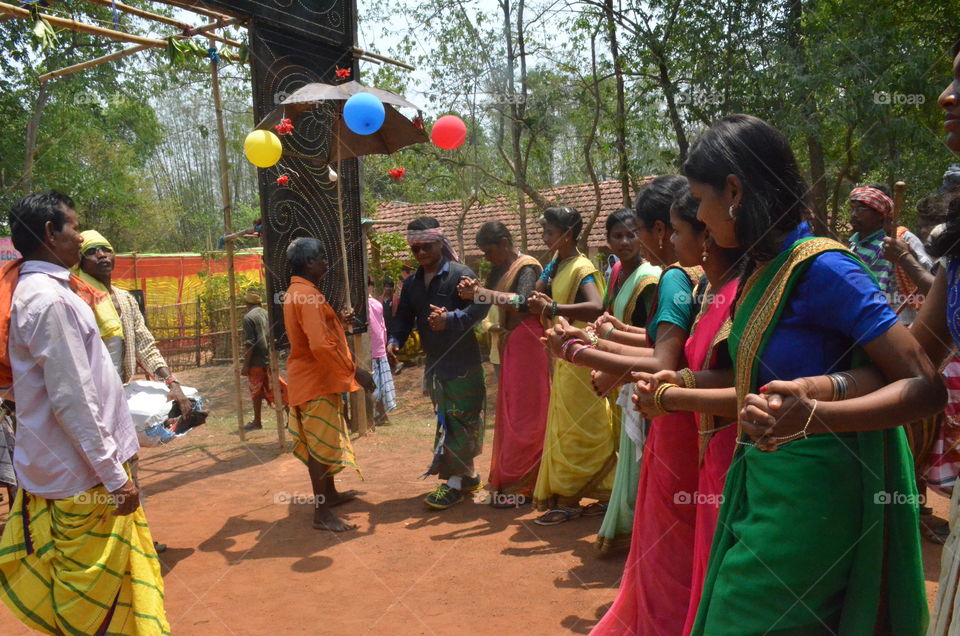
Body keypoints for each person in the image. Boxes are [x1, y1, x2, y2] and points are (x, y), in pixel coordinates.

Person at [672, 114, 942, 635]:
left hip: (816, 499)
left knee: (741, 619)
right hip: (764, 484)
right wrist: (671, 391)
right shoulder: (761, 268)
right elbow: (753, 382)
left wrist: (816, 413)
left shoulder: (825, 268)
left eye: (701, 199)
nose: (700, 216)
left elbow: (923, 384)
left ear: (735, 191)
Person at [0, 190, 168, 634]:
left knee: (98, 592)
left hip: (69, 469)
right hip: (83, 477)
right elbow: (72, 399)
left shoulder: (44, 292)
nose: (80, 237)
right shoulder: (51, 301)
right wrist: (114, 477)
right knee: (91, 600)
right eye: (74, 227)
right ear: (50, 232)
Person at [76, 228, 193, 553]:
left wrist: (172, 383)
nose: (101, 256)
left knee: (129, 470)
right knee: (99, 477)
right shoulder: (78, 298)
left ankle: (135, 541)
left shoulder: (126, 300)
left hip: (120, 401)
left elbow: (145, 344)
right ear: (80, 260)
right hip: (90, 403)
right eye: (92, 251)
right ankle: (105, 549)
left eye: (105, 249)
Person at [387, 217, 489, 510]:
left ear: (440, 243)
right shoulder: (411, 284)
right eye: (415, 249)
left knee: (460, 421)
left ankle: (453, 484)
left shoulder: (461, 275)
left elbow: (481, 307)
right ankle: (467, 477)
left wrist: (451, 319)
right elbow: (403, 318)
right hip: (436, 367)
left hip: (464, 364)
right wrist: (394, 340)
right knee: (451, 421)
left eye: (426, 247)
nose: (420, 253)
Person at [525, 206, 615, 525]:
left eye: (549, 232)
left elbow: (596, 307)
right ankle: (577, 494)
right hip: (564, 355)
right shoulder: (559, 264)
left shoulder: (582, 267)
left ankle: (579, 495)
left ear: (566, 234)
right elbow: (535, 294)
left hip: (581, 356)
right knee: (566, 426)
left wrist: (554, 307)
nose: (543, 237)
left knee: (582, 426)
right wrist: (549, 270)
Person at [282, 237, 374, 532]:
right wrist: (355, 371)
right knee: (319, 447)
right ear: (308, 262)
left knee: (321, 441)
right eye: (321, 257)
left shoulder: (299, 292)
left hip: (312, 379)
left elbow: (318, 335)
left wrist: (339, 323)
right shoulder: (307, 295)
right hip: (316, 381)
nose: (326, 262)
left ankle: (330, 495)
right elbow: (320, 345)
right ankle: (321, 513)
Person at [458, 221, 548, 506]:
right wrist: (471, 292)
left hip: (530, 344)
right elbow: (486, 302)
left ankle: (525, 485)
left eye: (489, 251)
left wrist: (481, 292)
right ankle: (512, 479)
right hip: (511, 345)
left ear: (505, 243)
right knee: (512, 413)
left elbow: (522, 302)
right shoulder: (499, 270)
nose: (487, 258)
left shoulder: (527, 267)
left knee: (527, 416)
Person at [592, 208, 660, 553]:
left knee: (641, 453)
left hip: (643, 374)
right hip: (622, 370)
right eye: (617, 236)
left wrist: (606, 360)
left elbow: (653, 340)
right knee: (631, 452)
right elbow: (608, 318)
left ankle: (642, 530)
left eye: (631, 234)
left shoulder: (651, 279)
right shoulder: (617, 271)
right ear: (607, 241)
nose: (625, 241)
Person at [241, 288, 282, 431]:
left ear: (247, 303)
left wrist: (246, 365)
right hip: (269, 358)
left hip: (256, 361)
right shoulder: (266, 314)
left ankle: (257, 421)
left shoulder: (248, 318)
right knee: (275, 388)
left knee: (256, 391)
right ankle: (291, 416)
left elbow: (250, 343)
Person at [848, 182, 897, 299]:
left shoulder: (883, 249)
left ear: (880, 215)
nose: (854, 214)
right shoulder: (854, 243)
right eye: (852, 209)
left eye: (861, 209)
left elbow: (876, 295)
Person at [367, 280, 397, 425]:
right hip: (379, 348)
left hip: (372, 350)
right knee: (379, 384)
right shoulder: (377, 304)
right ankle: (380, 415)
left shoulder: (367, 305)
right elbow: (382, 327)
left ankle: (380, 415)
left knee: (374, 385)